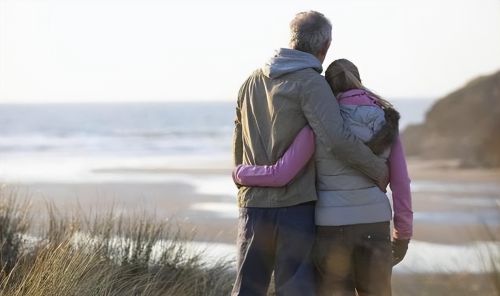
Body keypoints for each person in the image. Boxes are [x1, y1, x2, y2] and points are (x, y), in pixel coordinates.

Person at [231, 11, 389, 296]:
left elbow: (239, 140)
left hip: (252, 204)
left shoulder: (250, 81)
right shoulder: (311, 82)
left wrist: (243, 183)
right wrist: (377, 169)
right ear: (325, 46)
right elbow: (336, 139)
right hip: (295, 206)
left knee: (247, 290)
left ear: (291, 38)